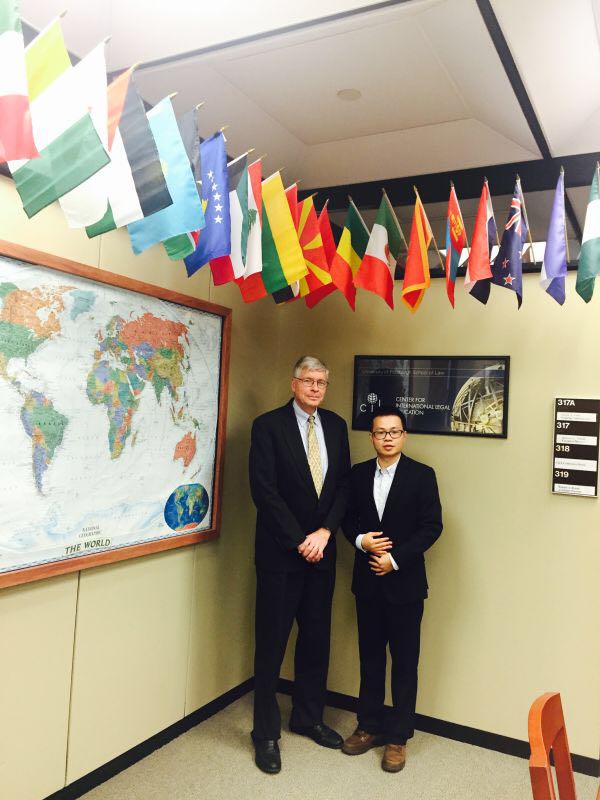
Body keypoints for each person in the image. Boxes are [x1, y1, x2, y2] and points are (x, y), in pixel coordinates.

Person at [249, 355, 350, 774]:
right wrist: (298, 540)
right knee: (271, 645)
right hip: (281, 554)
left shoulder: (336, 426)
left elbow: (343, 486)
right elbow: (264, 491)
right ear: (293, 384)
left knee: (315, 641)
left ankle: (307, 718)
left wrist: (325, 532)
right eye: (308, 381)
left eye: (321, 382)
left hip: (322, 554)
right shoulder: (268, 426)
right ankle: (265, 733)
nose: (314, 388)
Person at [341, 407, 442, 773]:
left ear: (404, 436)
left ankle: (398, 737)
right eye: (381, 432)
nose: (387, 438)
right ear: (372, 437)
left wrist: (395, 559)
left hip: (405, 586)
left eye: (394, 431)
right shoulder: (357, 474)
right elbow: (346, 519)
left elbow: (432, 527)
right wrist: (361, 541)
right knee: (370, 659)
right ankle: (368, 726)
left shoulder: (422, 475)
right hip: (367, 583)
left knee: (404, 663)